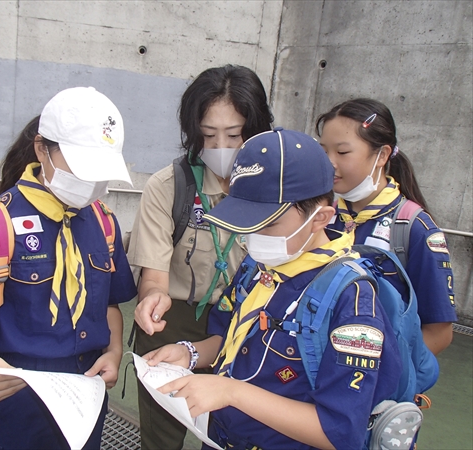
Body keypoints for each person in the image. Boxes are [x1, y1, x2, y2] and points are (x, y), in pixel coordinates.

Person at [144, 128, 402, 450]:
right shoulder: (258, 266)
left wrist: (231, 393)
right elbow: (228, 337)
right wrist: (192, 353)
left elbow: (337, 431)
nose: (254, 236)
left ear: (321, 217)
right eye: (246, 223)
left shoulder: (352, 301)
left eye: (268, 223)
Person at [0, 87, 137, 449]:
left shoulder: (104, 223)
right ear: (41, 149)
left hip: (87, 399)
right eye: (82, 166)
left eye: (102, 171)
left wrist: (112, 353)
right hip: (18, 403)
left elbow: (110, 307)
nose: (91, 182)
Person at [126, 64, 273, 449]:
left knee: (234, 430)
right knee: (162, 435)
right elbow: (155, 278)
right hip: (176, 323)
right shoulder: (169, 186)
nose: (222, 148)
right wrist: (152, 298)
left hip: (251, 324)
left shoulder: (275, 189)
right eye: (209, 136)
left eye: (235, 135)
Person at [316, 98, 457, 355]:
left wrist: (386, 375)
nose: (329, 162)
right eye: (323, 150)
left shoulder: (413, 228)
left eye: (342, 152)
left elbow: (439, 332)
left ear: (381, 155)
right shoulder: (322, 215)